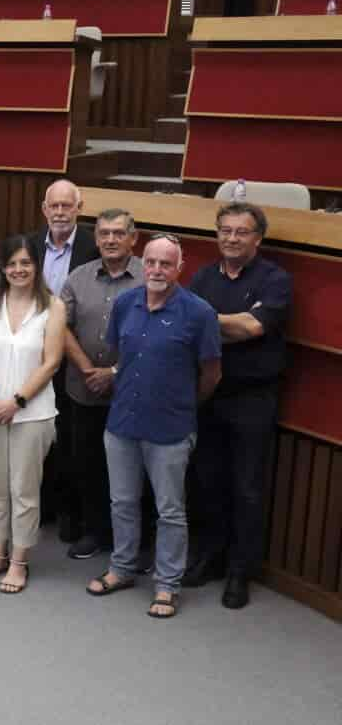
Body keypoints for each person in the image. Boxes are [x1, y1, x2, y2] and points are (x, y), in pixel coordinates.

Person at [85, 234, 221, 619]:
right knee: (123, 502)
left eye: (166, 263)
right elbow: (119, 357)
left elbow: (211, 373)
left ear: (180, 268)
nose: (157, 270)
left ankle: (166, 585)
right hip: (122, 421)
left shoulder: (199, 313)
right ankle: (123, 569)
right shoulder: (126, 302)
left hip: (171, 428)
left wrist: (184, 403)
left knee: (170, 510)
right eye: (151, 262)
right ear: (141, 264)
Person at [186, 202, 291, 609]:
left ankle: (239, 572)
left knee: (246, 488)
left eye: (241, 232)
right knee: (207, 480)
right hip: (208, 393)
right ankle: (210, 557)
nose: (231, 238)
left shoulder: (275, 279)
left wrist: (209, 321)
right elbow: (206, 329)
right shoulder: (203, 276)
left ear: (257, 238)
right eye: (225, 230)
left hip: (253, 397)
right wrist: (229, 326)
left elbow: (254, 326)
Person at [0, 235, 66, 594]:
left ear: (36, 265)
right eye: (12, 263)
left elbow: (52, 361)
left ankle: (20, 561)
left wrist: (16, 401)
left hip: (32, 414)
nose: (18, 269)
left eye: (25, 262)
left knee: (24, 490)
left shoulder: (52, 307)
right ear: (3, 267)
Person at [59, 209, 143, 562]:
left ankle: (130, 541)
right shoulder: (78, 277)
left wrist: (114, 372)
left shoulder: (148, 276)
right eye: (105, 233)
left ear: (133, 238)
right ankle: (94, 531)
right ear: (96, 239)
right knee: (88, 464)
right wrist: (88, 369)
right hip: (83, 389)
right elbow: (60, 327)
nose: (110, 240)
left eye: (118, 233)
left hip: (132, 392)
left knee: (131, 468)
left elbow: (155, 335)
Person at [32, 180, 99, 541]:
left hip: (77, 356)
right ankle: (41, 505)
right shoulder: (29, 243)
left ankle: (71, 513)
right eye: (54, 206)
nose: (59, 213)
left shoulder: (93, 246)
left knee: (73, 438)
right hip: (32, 357)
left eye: (66, 206)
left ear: (79, 207)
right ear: (44, 209)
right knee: (37, 433)